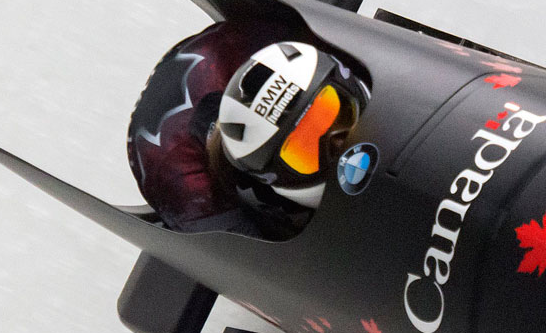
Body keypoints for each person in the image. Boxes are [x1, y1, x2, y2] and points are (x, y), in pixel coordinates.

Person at [126, 21, 366, 238]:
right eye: (304, 147)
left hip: (241, 42)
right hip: (175, 173)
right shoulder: (184, 186)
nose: (341, 142)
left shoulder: (283, 47)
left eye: (334, 110)